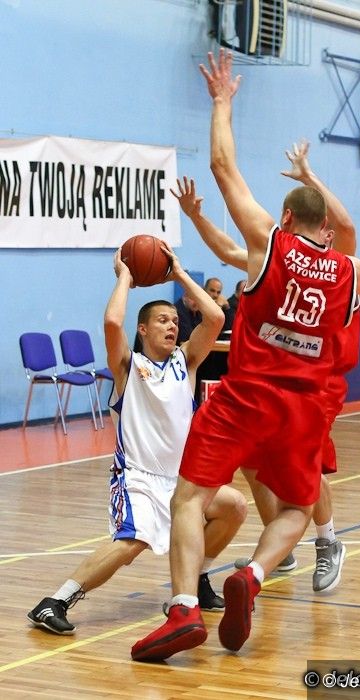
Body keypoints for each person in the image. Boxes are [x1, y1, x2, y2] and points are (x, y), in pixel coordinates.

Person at [130, 49, 360, 662]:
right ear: (325, 226)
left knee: (189, 499)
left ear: (285, 217)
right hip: (304, 409)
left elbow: (223, 166)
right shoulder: (349, 271)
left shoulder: (269, 244)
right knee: (299, 509)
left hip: (245, 396)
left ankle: (183, 609)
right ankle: (253, 575)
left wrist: (222, 102)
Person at [27, 243, 247, 635]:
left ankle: (196, 578)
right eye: (162, 320)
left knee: (234, 507)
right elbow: (113, 323)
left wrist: (179, 274)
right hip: (138, 478)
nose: (172, 326)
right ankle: (54, 601)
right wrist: (126, 277)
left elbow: (214, 316)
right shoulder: (128, 366)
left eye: (174, 321)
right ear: (143, 329)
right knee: (132, 543)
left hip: (181, 481)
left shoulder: (185, 361)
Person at [170, 139, 355, 592]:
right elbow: (231, 251)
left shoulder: (343, 263)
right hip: (273, 380)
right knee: (253, 462)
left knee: (308, 470)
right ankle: (281, 547)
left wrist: (309, 177)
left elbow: (346, 224)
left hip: (319, 381)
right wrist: (196, 218)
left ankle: (328, 541)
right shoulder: (282, 256)